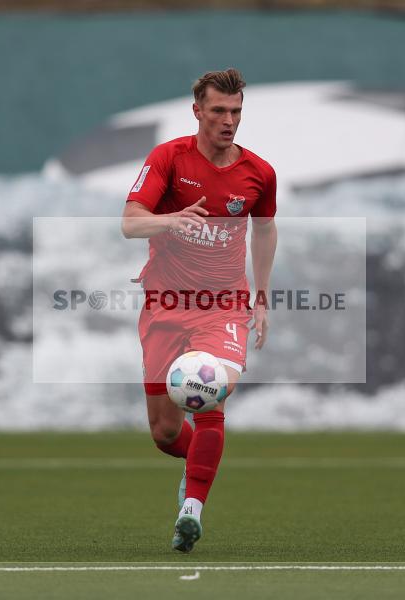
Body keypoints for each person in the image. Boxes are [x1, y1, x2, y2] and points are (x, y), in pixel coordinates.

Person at [120, 68, 278, 553]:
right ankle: (194, 467)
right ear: (198, 112)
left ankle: (193, 508)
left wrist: (262, 295)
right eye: (218, 111)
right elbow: (130, 224)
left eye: (236, 112)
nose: (229, 121)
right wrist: (170, 220)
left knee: (209, 393)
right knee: (165, 433)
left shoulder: (259, 173)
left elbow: (266, 230)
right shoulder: (169, 158)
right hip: (166, 305)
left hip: (223, 308)